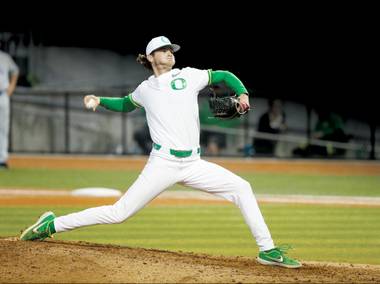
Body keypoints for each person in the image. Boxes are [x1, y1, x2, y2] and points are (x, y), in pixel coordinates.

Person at [19, 36, 301, 268]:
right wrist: (99, 100)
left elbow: (224, 74)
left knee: (242, 187)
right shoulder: (145, 89)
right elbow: (125, 104)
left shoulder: (189, 76)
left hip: (193, 162)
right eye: (164, 50)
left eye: (171, 49)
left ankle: (267, 250)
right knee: (119, 213)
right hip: (163, 163)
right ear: (151, 57)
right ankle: (52, 225)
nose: (169, 53)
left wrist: (242, 94)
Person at [0, 48, 19, 169]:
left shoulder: (4, 57)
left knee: (3, 128)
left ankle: (2, 159)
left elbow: (15, 71)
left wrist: (11, 87)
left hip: (2, 95)